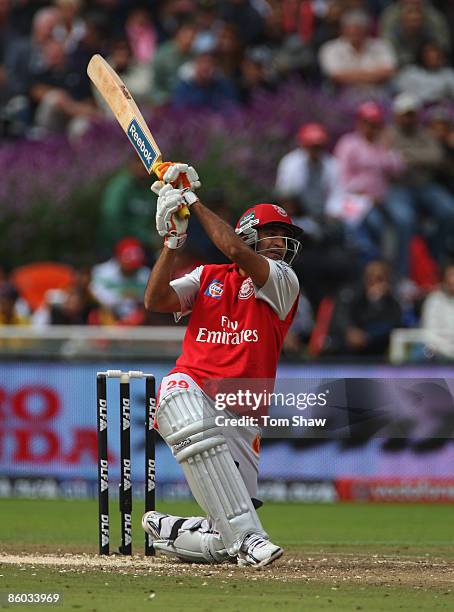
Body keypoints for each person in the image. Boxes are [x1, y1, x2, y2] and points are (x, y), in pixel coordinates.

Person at [141, 162, 303, 567]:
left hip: (244, 407)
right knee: (182, 410)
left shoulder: (283, 282)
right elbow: (155, 301)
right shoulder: (207, 276)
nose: (281, 246)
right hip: (191, 385)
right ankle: (251, 539)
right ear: (250, 233)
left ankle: (170, 530)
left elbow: (233, 249)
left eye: (285, 239)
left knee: (221, 539)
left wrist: (191, 199)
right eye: (272, 236)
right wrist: (172, 244)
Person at [318, 9, 397, 94]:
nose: (355, 33)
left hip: (379, 92)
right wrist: (373, 75)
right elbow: (335, 75)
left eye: (359, 29)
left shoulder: (382, 46)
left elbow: (389, 71)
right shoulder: (330, 48)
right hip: (342, 94)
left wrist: (352, 75)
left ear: (367, 30)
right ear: (343, 30)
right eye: (351, 29)